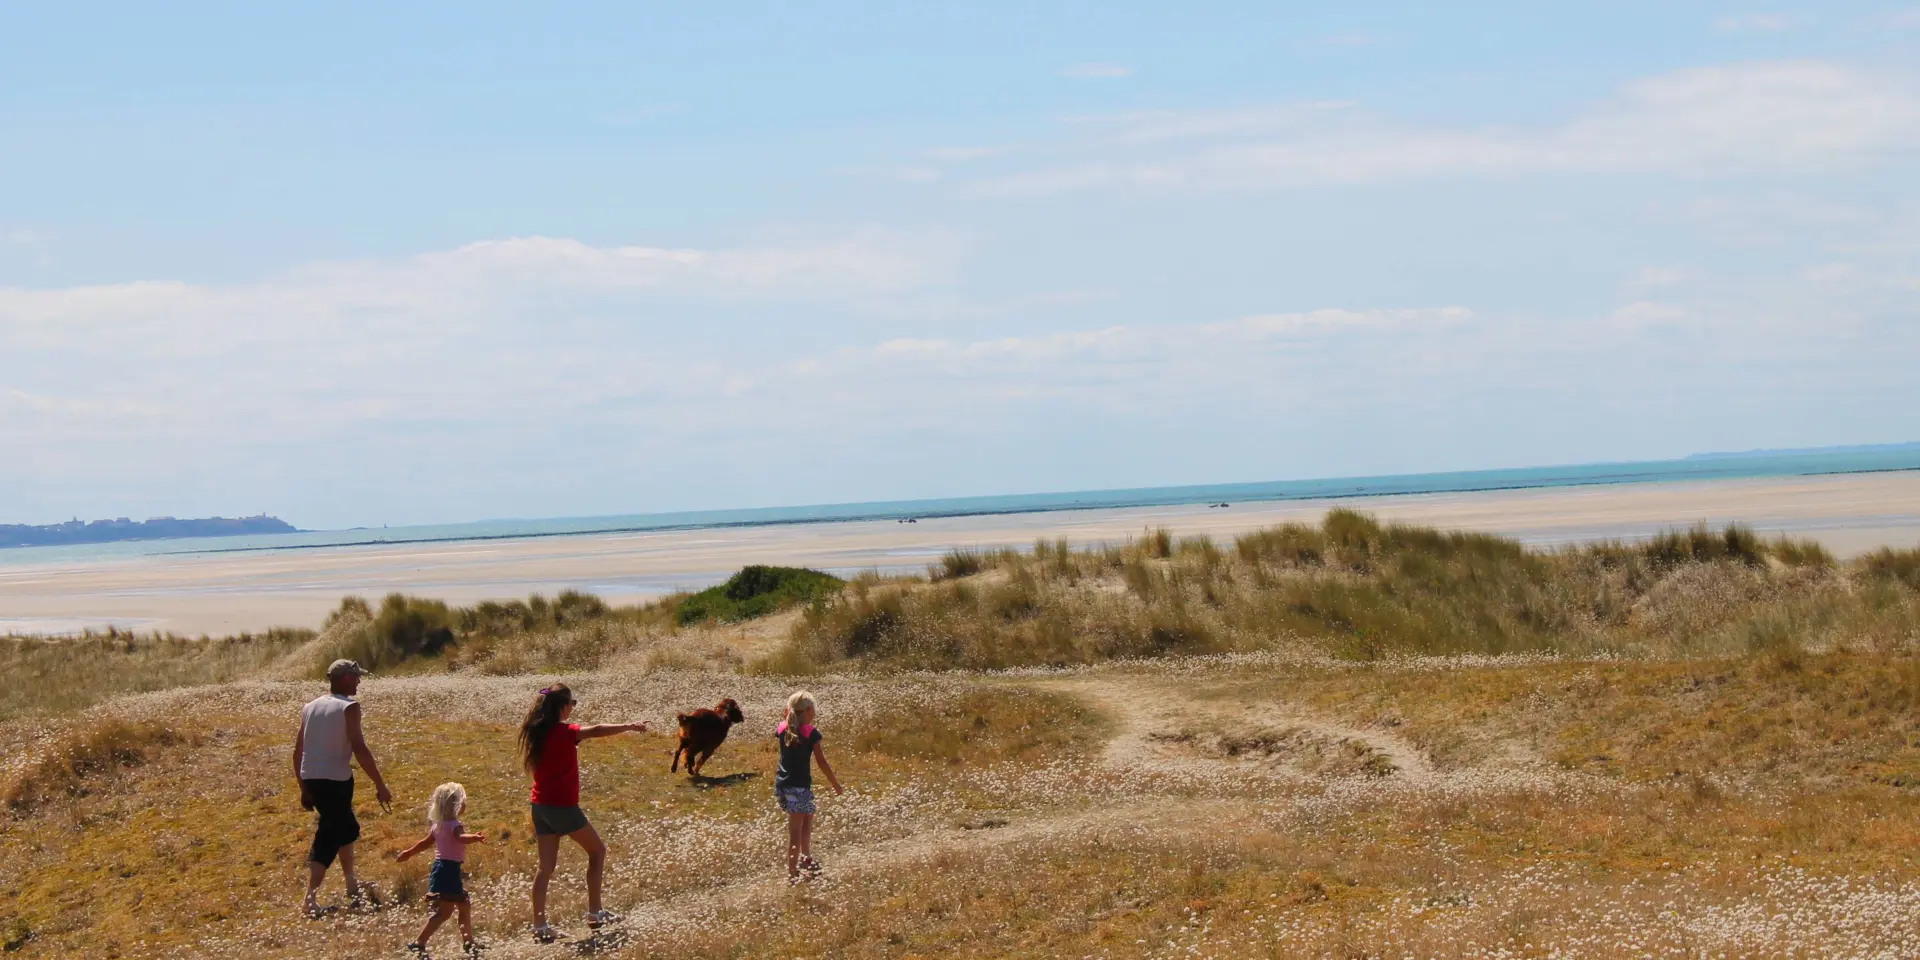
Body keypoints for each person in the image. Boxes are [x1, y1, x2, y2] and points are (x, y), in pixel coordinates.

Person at [518, 683, 649, 942]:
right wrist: (628, 726)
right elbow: (597, 730)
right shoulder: (566, 732)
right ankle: (595, 912)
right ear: (562, 707)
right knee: (597, 851)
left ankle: (540, 926)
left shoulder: (537, 732)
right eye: (572, 704)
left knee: (545, 868)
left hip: (540, 806)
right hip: (562, 808)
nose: (573, 708)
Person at [292, 658, 393, 917]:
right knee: (331, 834)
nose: (359, 681)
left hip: (313, 777)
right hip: (335, 780)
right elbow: (359, 747)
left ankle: (350, 882)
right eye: (356, 677)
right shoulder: (349, 707)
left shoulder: (310, 706)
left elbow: (298, 751)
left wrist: (303, 787)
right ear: (345, 678)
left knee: (341, 828)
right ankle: (309, 901)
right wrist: (380, 784)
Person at [395, 782, 487, 956]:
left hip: (441, 869)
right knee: (445, 912)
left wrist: (408, 853)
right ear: (457, 806)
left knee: (464, 904)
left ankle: (469, 942)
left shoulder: (437, 826)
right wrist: (474, 837)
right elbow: (460, 838)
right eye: (463, 802)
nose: (465, 805)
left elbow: (424, 844)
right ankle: (419, 942)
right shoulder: (454, 826)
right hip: (449, 870)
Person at [773, 690, 843, 884]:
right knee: (795, 830)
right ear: (810, 710)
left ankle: (806, 857)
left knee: (808, 814)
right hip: (798, 787)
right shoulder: (811, 733)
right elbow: (821, 762)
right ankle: (792, 872)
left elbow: (784, 722)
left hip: (783, 785)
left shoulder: (782, 728)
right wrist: (835, 784)